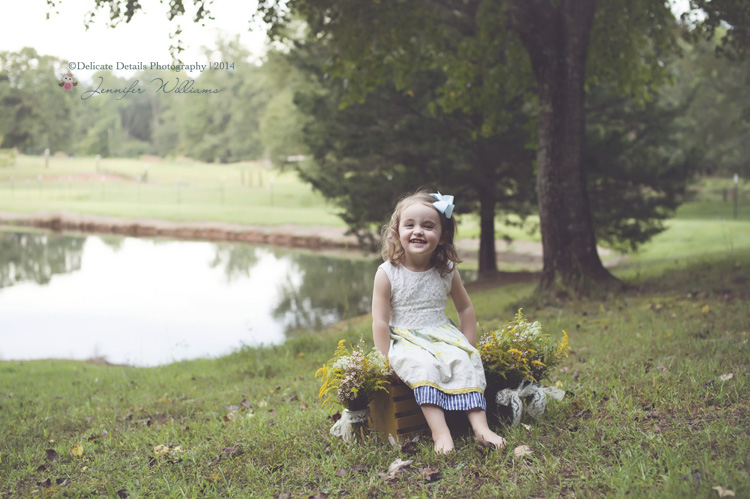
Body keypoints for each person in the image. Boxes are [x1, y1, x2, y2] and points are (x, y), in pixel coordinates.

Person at [372, 190, 506, 454]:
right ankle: (440, 432)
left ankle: (481, 428)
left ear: (442, 235)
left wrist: (468, 343)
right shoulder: (388, 273)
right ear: (397, 231)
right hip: (406, 337)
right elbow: (379, 320)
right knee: (423, 365)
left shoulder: (446, 269)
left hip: (442, 333)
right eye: (410, 225)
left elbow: (465, 307)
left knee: (466, 360)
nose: (418, 231)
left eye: (428, 226)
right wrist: (384, 359)